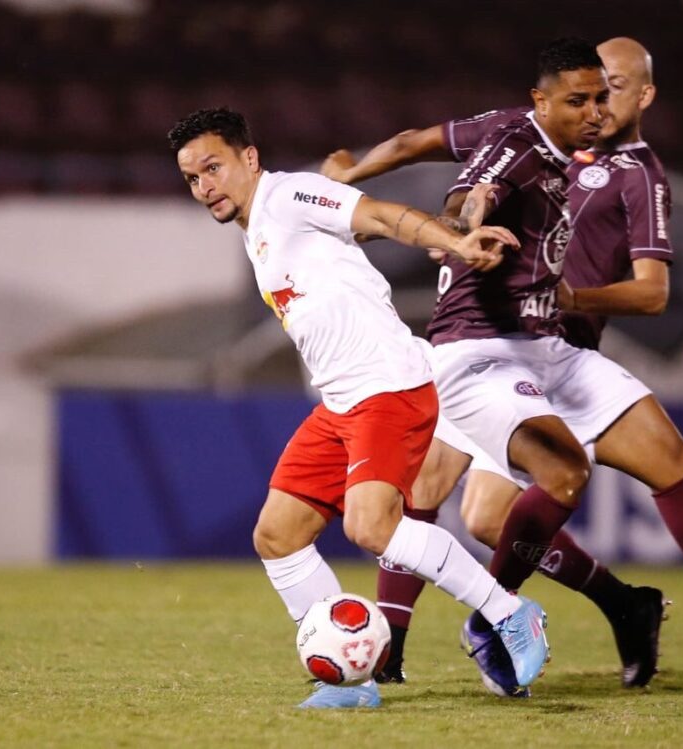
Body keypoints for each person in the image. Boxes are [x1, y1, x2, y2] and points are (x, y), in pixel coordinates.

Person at [324, 37, 683, 694]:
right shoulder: (521, 137)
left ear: (643, 95)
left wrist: (564, 293)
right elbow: (462, 181)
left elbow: (652, 291)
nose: (596, 103)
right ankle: (435, 636)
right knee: (450, 497)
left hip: (560, 350)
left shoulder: (634, 173)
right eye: (586, 91)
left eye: (608, 89)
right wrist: (402, 198)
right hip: (483, 348)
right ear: (553, 97)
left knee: (664, 461)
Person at [168, 107, 549, 709]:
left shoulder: (289, 194)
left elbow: (377, 214)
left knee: (372, 526)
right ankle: (349, 681)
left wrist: (454, 241)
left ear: (249, 157)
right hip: (342, 401)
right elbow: (361, 233)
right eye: (192, 178)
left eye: (213, 167)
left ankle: (512, 614)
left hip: (388, 386)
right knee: (277, 535)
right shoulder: (260, 227)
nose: (204, 186)